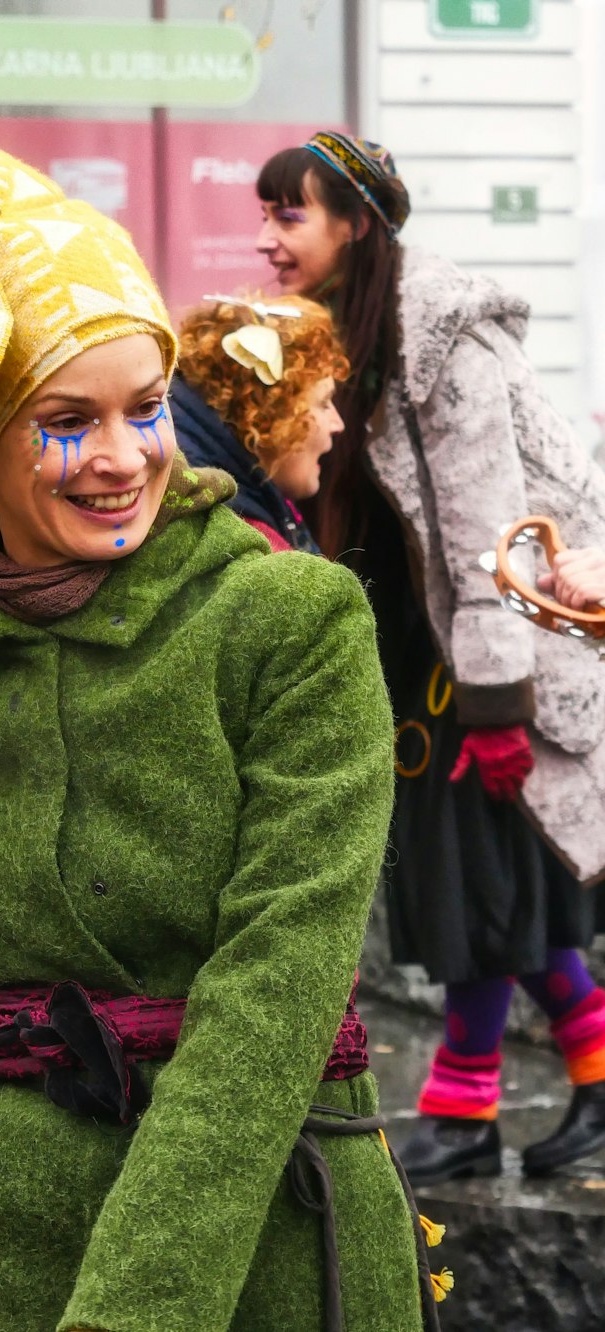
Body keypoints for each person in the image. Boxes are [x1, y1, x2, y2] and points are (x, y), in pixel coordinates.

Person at [0, 138, 447, 1331]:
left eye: (147, 408)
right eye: (67, 420)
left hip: (269, 1246)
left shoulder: (287, 618)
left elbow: (276, 985)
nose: (123, 458)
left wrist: (139, 1305)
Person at [255, 130, 605, 1183]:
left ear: (355, 223)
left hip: (493, 650)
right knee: (487, 892)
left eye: (289, 215)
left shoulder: (438, 340)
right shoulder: (334, 335)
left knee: (481, 891)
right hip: (416, 653)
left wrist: (496, 706)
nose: (267, 238)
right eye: (264, 215)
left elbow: (485, 533)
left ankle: (464, 1107)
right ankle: (543, 1095)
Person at [172, 293, 346, 552]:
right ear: (267, 414)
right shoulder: (246, 540)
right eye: (323, 402)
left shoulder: (242, 496)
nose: (338, 424)